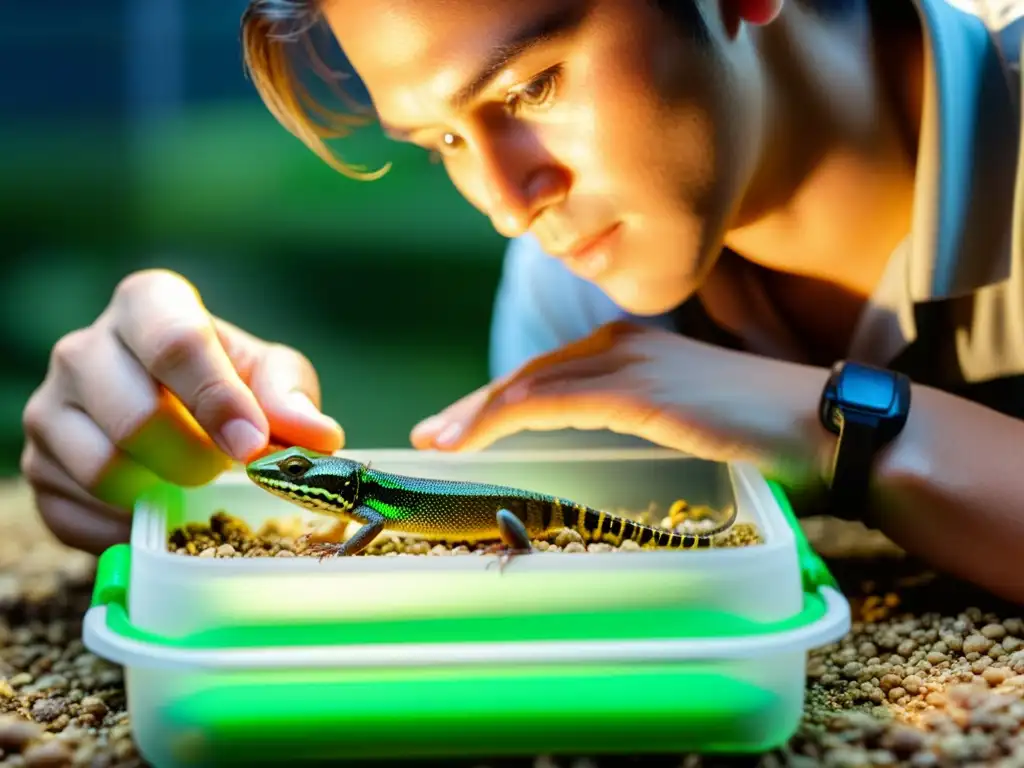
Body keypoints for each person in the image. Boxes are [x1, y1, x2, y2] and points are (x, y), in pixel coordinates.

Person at [20, 0, 1024, 602]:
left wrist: (840, 433)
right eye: (442, 142)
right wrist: (152, 449)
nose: (504, 204)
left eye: (531, 88)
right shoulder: (573, 295)